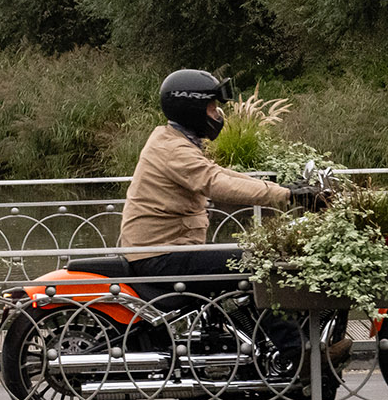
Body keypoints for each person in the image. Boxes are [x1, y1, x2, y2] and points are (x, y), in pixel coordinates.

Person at [116, 69, 321, 284]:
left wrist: (283, 187)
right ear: (192, 109)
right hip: (159, 257)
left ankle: (241, 315)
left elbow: (221, 173)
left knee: (254, 261)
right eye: (212, 108)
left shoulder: (171, 138)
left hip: (164, 251)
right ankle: (274, 319)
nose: (218, 115)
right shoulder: (173, 149)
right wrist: (288, 195)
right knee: (261, 264)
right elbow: (217, 183)